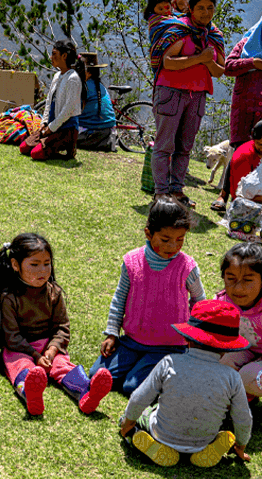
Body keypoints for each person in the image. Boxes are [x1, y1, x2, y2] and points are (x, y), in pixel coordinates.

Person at [118, 299, 252, 468]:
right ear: (226, 348)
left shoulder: (169, 362)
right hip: (204, 442)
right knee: (222, 425)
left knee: (143, 412)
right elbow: (243, 418)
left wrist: (128, 422)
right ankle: (211, 446)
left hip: (161, 434)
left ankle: (136, 437)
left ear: (188, 338)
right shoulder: (232, 377)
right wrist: (240, 445)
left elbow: (139, 397)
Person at [94, 199, 205, 395]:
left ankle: (156, 373)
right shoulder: (131, 261)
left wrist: (193, 337)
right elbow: (120, 297)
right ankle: (138, 366)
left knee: (131, 387)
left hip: (169, 346)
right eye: (165, 239)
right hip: (132, 340)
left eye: (180, 239)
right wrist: (112, 332)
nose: (173, 245)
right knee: (97, 375)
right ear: (148, 233)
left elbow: (200, 302)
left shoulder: (187, 267)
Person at [0, 232, 113, 416]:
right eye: (34, 265)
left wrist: (51, 351)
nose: (42, 270)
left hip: (48, 346)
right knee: (21, 366)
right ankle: (30, 392)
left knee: (62, 366)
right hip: (19, 348)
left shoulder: (54, 293)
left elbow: (61, 327)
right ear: (15, 265)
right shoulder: (9, 297)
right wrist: (35, 355)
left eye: (46, 263)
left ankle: (86, 392)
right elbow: (12, 336)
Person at [151, 0, 226, 206]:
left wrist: (206, 61)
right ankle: (161, 193)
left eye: (210, 8)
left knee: (185, 147)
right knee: (165, 145)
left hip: (197, 95)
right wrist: (199, 58)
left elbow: (219, 70)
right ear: (191, 9)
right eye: (200, 8)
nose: (205, 12)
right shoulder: (179, 29)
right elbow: (168, 62)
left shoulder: (214, 36)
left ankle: (177, 190)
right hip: (171, 92)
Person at [215, 16, 262, 211]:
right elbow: (228, 67)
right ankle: (223, 196)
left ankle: (250, 201)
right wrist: (253, 62)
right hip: (244, 107)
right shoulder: (246, 44)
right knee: (238, 150)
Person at [18, 40, 86, 162]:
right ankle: (51, 144)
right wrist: (44, 123)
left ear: (64, 56)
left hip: (66, 128)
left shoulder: (73, 79)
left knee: (36, 154)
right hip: (52, 125)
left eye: (54, 54)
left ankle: (68, 146)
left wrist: (51, 128)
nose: (51, 57)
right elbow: (49, 102)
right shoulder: (57, 76)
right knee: (24, 147)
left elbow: (68, 110)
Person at [218, 243, 262, 396]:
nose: (238, 288)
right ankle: (239, 397)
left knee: (250, 378)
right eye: (231, 278)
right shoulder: (223, 302)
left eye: (248, 280)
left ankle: (245, 391)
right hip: (245, 349)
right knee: (221, 364)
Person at [76, 54, 116, 152]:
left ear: (89, 72)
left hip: (93, 134)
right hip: (110, 134)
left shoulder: (85, 87)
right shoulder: (100, 86)